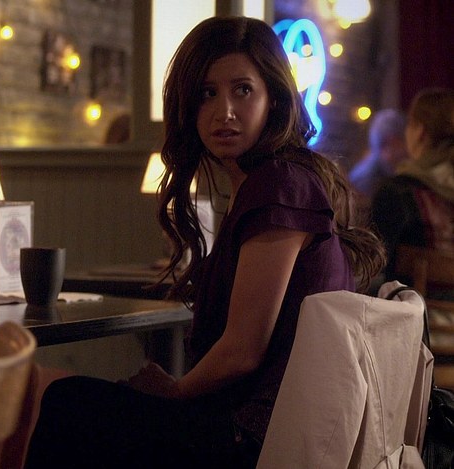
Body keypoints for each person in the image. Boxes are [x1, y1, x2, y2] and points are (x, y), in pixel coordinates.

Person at [23, 16, 385, 468]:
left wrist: (173, 391)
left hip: (256, 438)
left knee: (68, 402)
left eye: (243, 90)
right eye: (207, 94)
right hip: (250, 424)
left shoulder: (279, 185)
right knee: (73, 401)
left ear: (274, 98)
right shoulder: (268, 182)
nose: (224, 112)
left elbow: (243, 353)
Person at [370, 87, 454, 284]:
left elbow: (374, 265)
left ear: (420, 132)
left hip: (413, 303)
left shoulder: (398, 192)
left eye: (409, 124)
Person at [348, 109, 409, 224]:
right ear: (392, 140)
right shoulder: (368, 181)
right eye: (403, 140)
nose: (407, 149)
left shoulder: (370, 173)